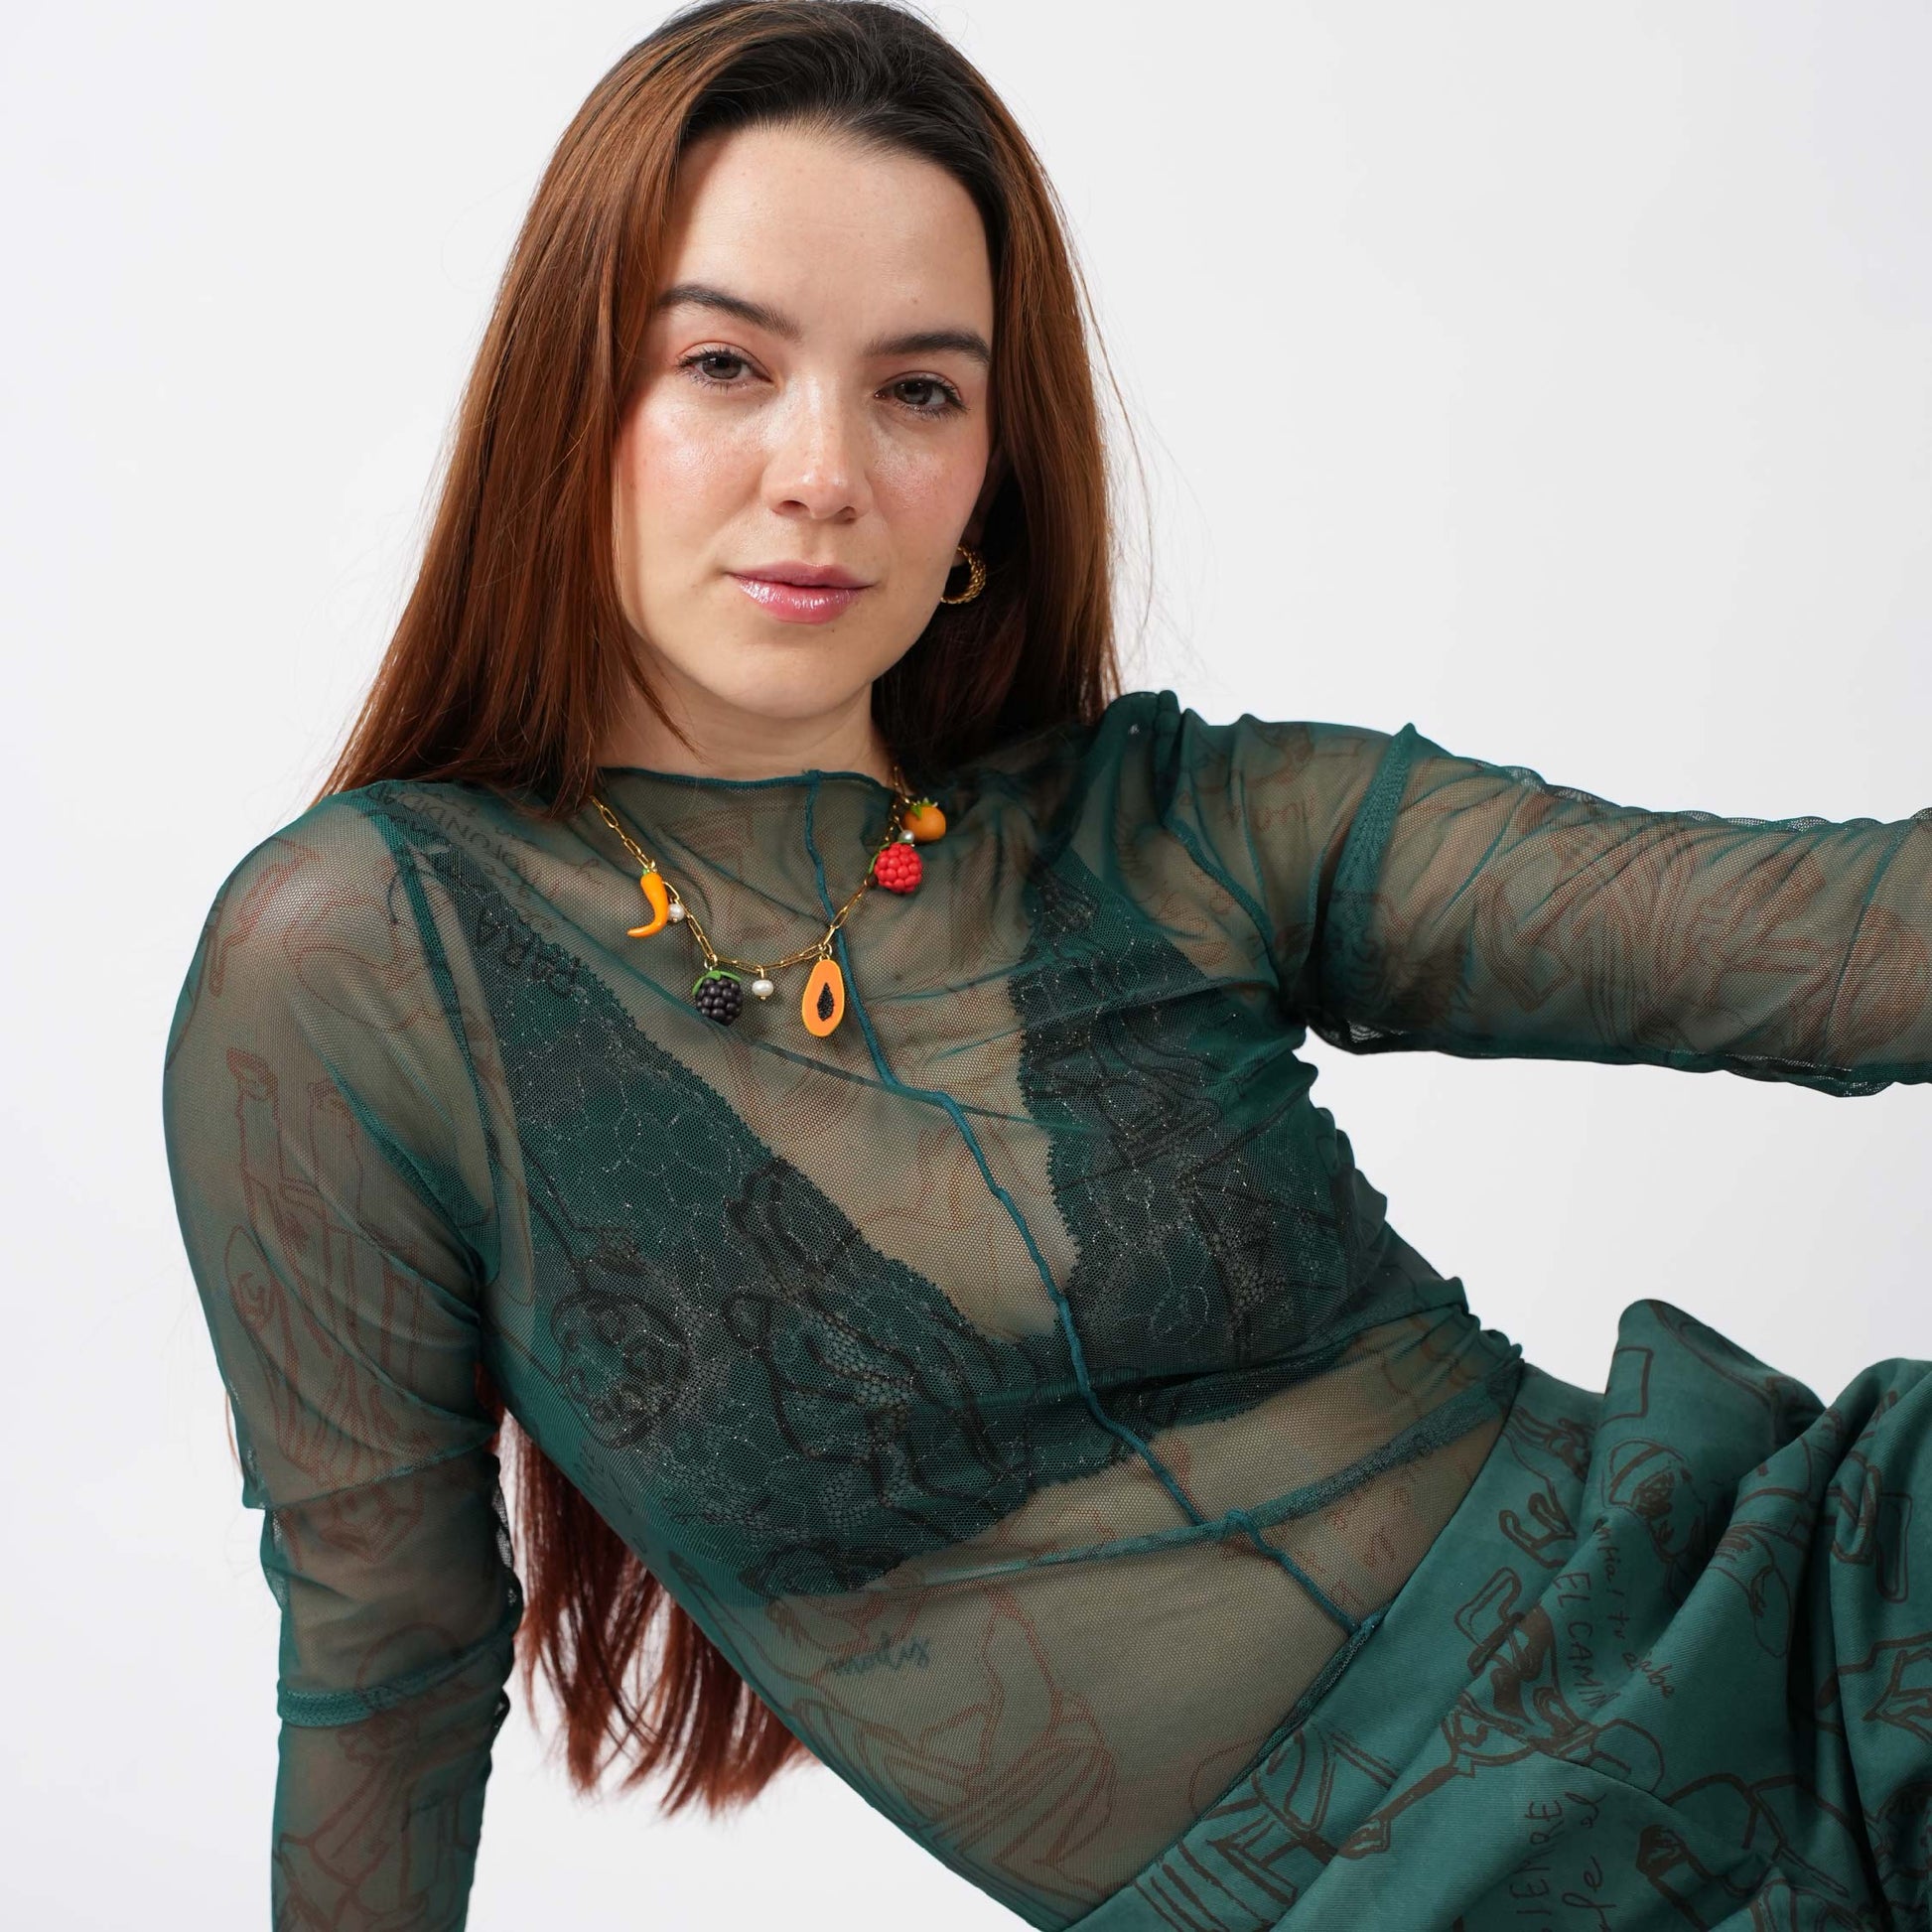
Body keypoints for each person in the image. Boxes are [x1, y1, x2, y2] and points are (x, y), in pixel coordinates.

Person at [159, 3, 1931, 1926]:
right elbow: (389, 1654)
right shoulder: (362, 955)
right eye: (724, 362)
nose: (823, 469)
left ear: (988, 476)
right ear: (566, 401)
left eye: (919, 390)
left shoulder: (1173, 826)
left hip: (1841, 1660)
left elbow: (1858, 943)